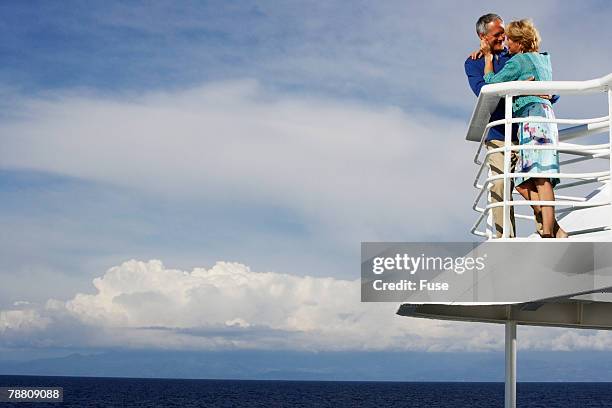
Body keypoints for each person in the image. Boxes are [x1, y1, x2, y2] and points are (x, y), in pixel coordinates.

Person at [465, 13, 557, 238]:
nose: (503, 38)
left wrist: (543, 92)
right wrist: (517, 85)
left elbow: (545, 88)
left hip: (525, 129)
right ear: (483, 36)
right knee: (499, 186)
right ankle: (505, 238)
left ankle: (549, 233)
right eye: (497, 34)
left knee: (535, 180)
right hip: (498, 133)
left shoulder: (516, 54)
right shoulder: (474, 62)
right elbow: (484, 91)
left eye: (504, 33)